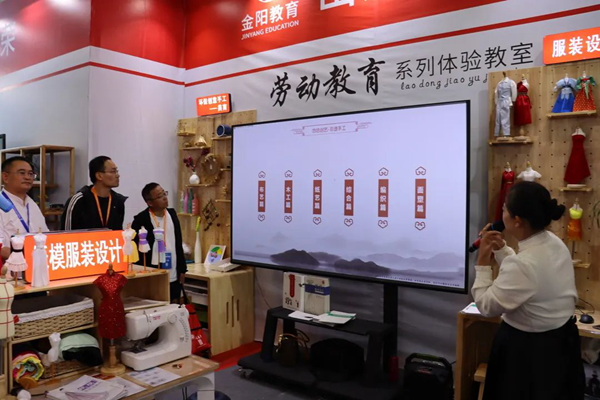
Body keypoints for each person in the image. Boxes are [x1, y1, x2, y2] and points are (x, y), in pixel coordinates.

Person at [472, 181, 584, 400]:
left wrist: (483, 261)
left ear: (517, 220)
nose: (501, 213)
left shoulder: (524, 265)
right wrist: (502, 250)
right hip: (558, 345)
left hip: (527, 353)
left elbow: (485, 306)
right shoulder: (553, 242)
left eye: (504, 209)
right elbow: (528, 279)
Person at [131, 183, 186, 302]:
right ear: (150, 202)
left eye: (164, 193)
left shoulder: (172, 214)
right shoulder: (141, 220)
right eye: (160, 196)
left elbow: (178, 243)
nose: (165, 198)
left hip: (173, 269)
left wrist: (182, 269)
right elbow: (139, 251)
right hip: (153, 273)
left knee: (175, 303)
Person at [0, 157, 48, 259]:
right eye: (22, 173)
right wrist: (27, 257)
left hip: (38, 262)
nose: (27, 177)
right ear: (5, 177)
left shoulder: (32, 204)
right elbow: (1, 249)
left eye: (30, 174)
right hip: (11, 266)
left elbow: (46, 235)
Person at [61, 156, 127, 231]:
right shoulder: (79, 200)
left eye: (116, 171)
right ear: (99, 176)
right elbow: (66, 233)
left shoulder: (118, 201)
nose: (117, 175)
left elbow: (117, 232)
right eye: (113, 172)